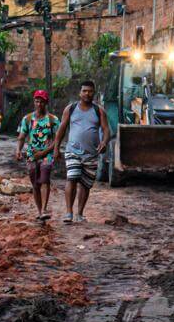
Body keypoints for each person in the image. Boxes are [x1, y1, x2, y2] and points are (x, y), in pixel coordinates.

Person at [53, 79, 111, 224]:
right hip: (72, 151)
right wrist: (56, 148)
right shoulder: (71, 109)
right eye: (84, 91)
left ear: (94, 93)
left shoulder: (99, 111)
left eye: (90, 91)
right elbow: (61, 129)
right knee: (72, 177)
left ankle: (80, 214)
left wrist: (104, 142)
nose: (87, 93)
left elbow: (106, 129)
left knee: (85, 184)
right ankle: (68, 212)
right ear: (80, 93)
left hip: (91, 154)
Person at [16, 90, 60, 222]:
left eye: (41, 101)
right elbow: (22, 136)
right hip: (31, 155)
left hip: (47, 154)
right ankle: (40, 211)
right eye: (37, 101)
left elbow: (57, 139)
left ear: (46, 103)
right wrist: (18, 150)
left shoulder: (53, 120)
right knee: (35, 183)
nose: (39, 104)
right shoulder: (27, 119)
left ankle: (45, 209)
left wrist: (47, 151)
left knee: (45, 178)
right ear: (34, 102)